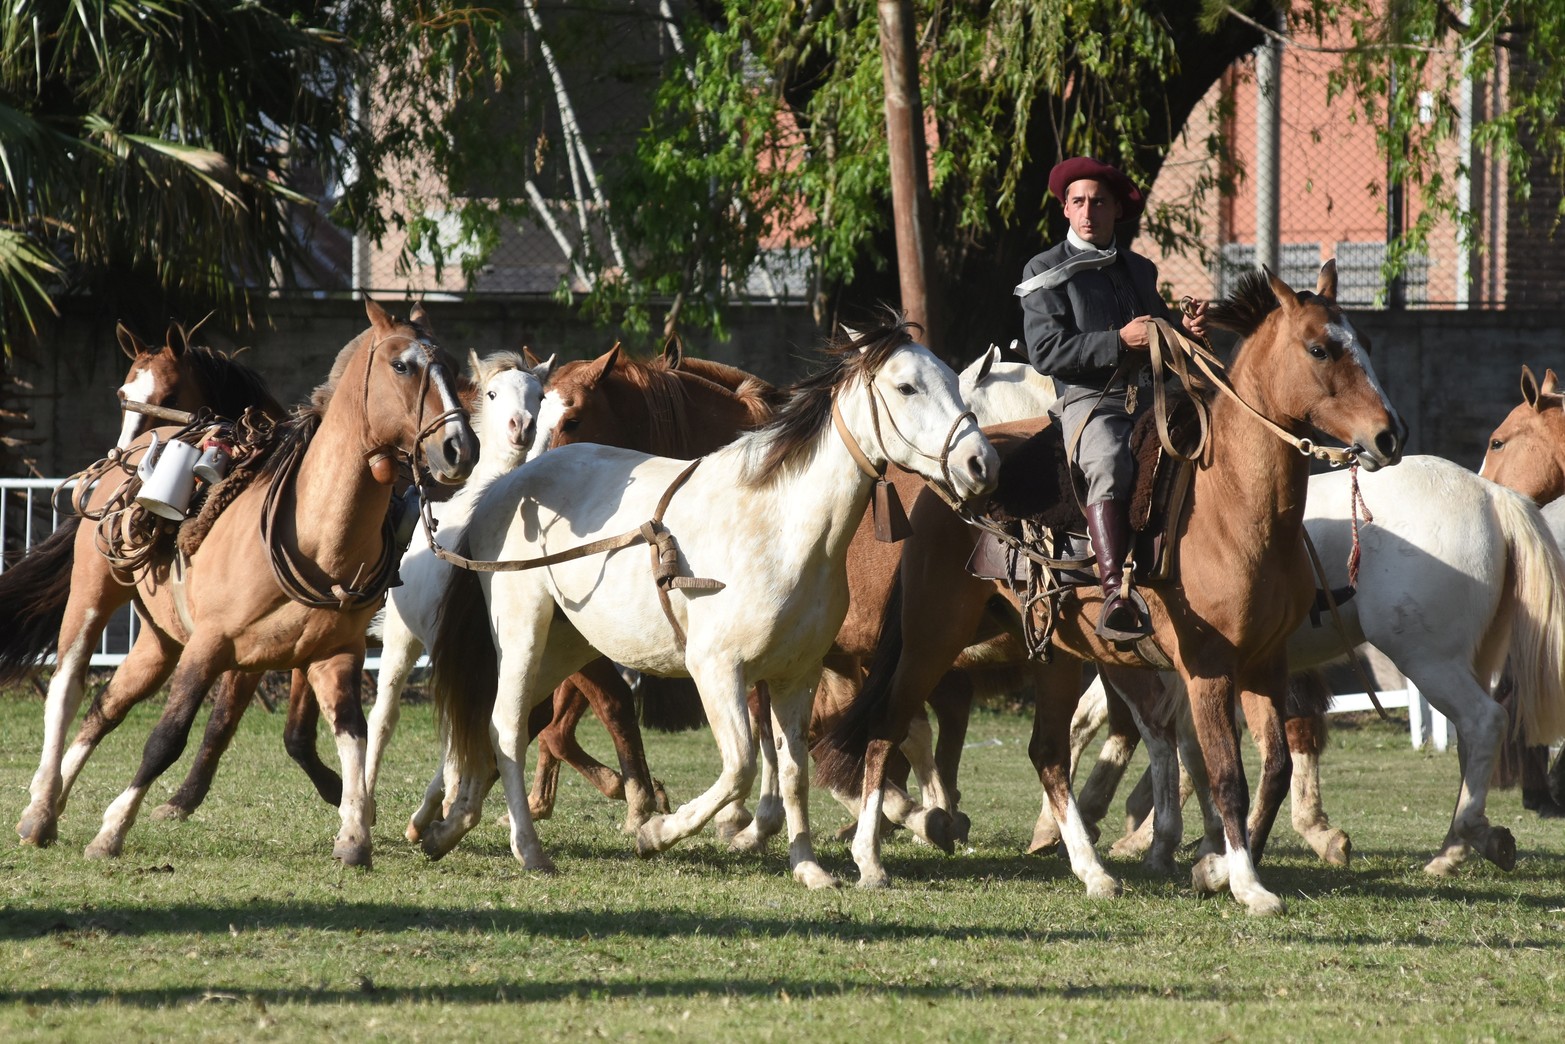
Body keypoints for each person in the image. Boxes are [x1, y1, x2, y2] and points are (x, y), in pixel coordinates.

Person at [1015, 156, 1207, 641]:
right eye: (1077, 202)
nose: (1088, 211)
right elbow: (1046, 352)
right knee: (1110, 463)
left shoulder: (1139, 270)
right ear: (1065, 210)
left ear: (1116, 210)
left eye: (1098, 202)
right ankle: (1117, 594)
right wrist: (1119, 341)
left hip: (1150, 396)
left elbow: (1159, 329)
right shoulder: (1043, 270)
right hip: (1089, 403)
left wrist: (1187, 331)